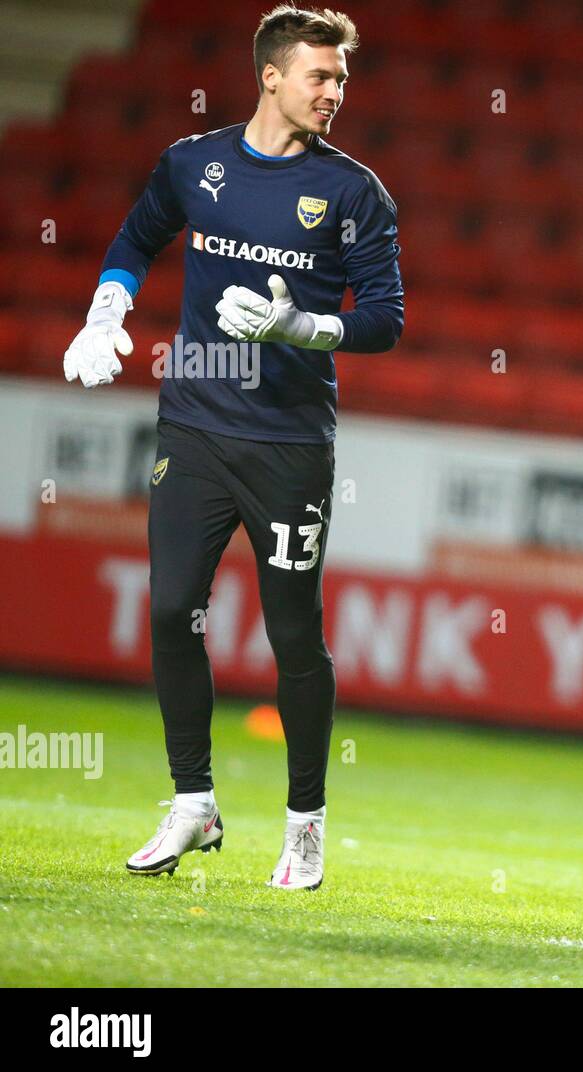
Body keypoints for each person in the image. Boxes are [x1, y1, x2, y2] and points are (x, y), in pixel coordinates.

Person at [62, 5, 403, 890]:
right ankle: (192, 801)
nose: (336, 91)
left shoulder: (355, 192)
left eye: (342, 78)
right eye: (320, 76)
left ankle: (305, 823)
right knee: (172, 607)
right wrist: (108, 312)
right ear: (272, 76)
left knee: (295, 634)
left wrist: (300, 324)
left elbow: (384, 321)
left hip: (290, 442)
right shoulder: (194, 162)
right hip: (195, 426)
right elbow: (138, 237)